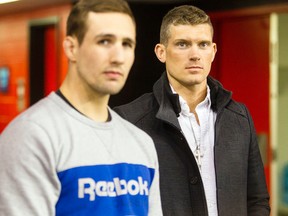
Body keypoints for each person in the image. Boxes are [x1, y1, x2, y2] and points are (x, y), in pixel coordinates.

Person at [0, 0, 163, 215]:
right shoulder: (32, 135)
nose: (118, 58)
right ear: (71, 47)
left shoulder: (140, 143)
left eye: (127, 44)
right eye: (104, 41)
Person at [114, 5, 270, 216]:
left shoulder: (239, 117)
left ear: (213, 51)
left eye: (203, 44)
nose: (195, 54)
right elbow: (120, 205)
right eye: (182, 44)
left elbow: (257, 200)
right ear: (161, 52)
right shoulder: (129, 121)